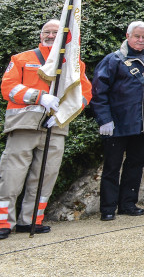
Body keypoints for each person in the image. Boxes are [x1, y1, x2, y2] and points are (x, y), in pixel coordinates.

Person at [0, 20, 92, 238]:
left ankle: (31, 221)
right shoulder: (22, 58)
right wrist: (40, 97)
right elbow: (8, 88)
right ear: (40, 35)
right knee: (12, 175)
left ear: (64, 36)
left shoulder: (74, 63)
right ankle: (4, 222)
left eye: (55, 32)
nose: (50, 35)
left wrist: (63, 114)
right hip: (23, 126)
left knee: (45, 176)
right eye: (46, 32)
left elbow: (85, 94)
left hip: (55, 128)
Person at [91, 21, 144, 221]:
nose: (141, 40)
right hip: (117, 123)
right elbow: (98, 92)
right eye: (137, 36)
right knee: (112, 166)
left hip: (143, 123)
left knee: (136, 164)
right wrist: (104, 120)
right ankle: (108, 207)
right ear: (128, 35)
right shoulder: (113, 60)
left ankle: (128, 203)